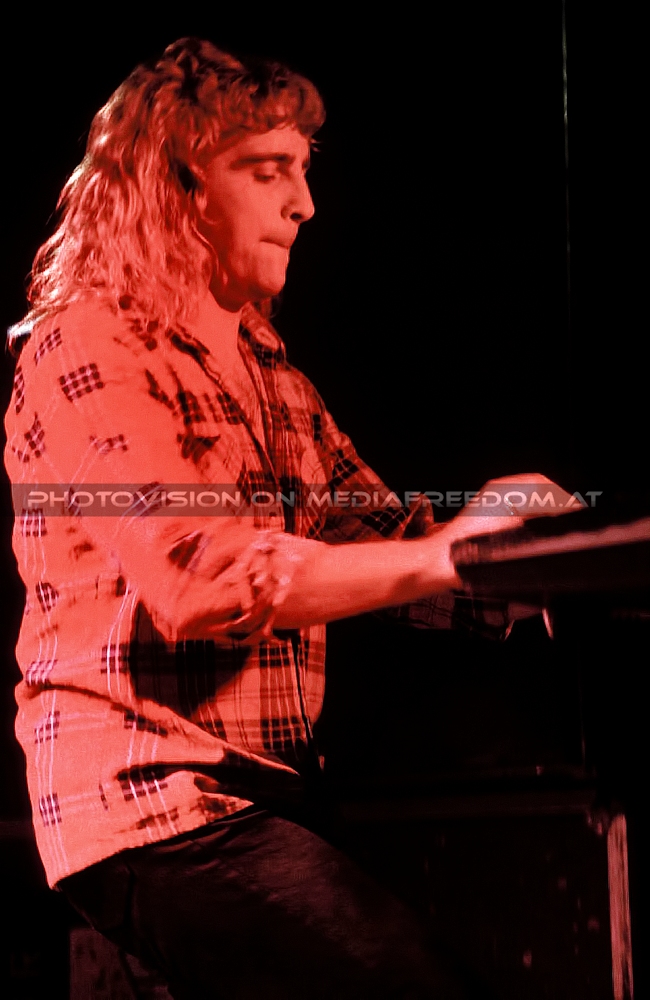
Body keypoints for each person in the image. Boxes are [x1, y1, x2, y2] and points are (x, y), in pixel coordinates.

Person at [4, 37, 565, 999]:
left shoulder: (274, 375)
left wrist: (541, 554)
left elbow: (385, 545)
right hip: (150, 803)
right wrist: (453, 557)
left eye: (302, 172)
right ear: (179, 186)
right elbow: (202, 577)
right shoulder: (88, 345)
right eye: (268, 172)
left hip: (266, 796)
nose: (304, 204)